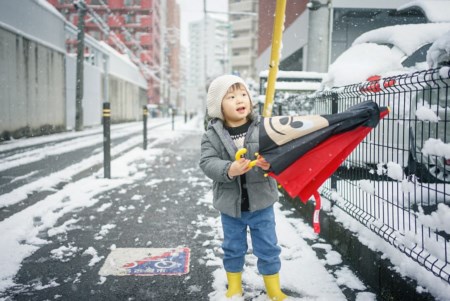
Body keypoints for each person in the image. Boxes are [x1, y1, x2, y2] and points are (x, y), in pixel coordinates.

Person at [199, 74, 288, 300]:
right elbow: (207, 162)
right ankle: (234, 285)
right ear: (218, 106)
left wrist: (271, 163)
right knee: (233, 247)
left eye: (243, 94)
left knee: (268, 247)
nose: (239, 100)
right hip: (231, 207)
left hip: (262, 203)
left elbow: (279, 153)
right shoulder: (212, 136)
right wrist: (229, 169)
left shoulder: (263, 128)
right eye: (231, 96)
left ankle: (274, 289)